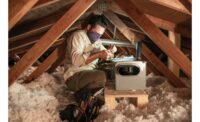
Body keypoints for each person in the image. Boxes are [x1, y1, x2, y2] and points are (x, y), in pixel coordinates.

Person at [63, 15, 115, 97]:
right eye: (96, 33)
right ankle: (81, 96)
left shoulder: (97, 40)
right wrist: (99, 54)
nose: (97, 36)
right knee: (101, 76)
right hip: (74, 76)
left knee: (112, 72)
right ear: (89, 27)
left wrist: (110, 53)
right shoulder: (78, 36)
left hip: (89, 72)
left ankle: (92, 93)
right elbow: (76, 61)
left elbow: (104, 52)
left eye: (100, 35)